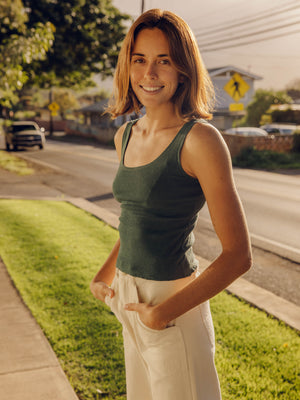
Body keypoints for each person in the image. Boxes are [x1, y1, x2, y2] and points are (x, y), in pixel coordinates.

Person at [90, 8, 252, 400]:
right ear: (128, 68)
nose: (150, 73)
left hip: (171, 303)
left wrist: (163, 313)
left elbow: (238, 256)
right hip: (129, 297)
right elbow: (135, 218)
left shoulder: (201, 140)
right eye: (140, 60)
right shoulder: (125, 135)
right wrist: (105, 274)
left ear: (183, 69)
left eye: (164, 61)